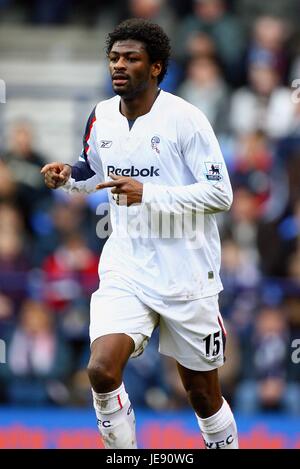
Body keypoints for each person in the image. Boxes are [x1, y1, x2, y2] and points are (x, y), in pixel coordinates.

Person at [41, 18, 238, 449]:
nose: (119, 66)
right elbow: (92, 171)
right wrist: (67, 177)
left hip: (186, 271)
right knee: (100, 371)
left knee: (203, 395)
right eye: (114, 58)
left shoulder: (187, 119)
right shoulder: (101, 116)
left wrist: (148, 193)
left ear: (156, 68)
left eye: (131, 58)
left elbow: (221, 194)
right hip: (126, 262)